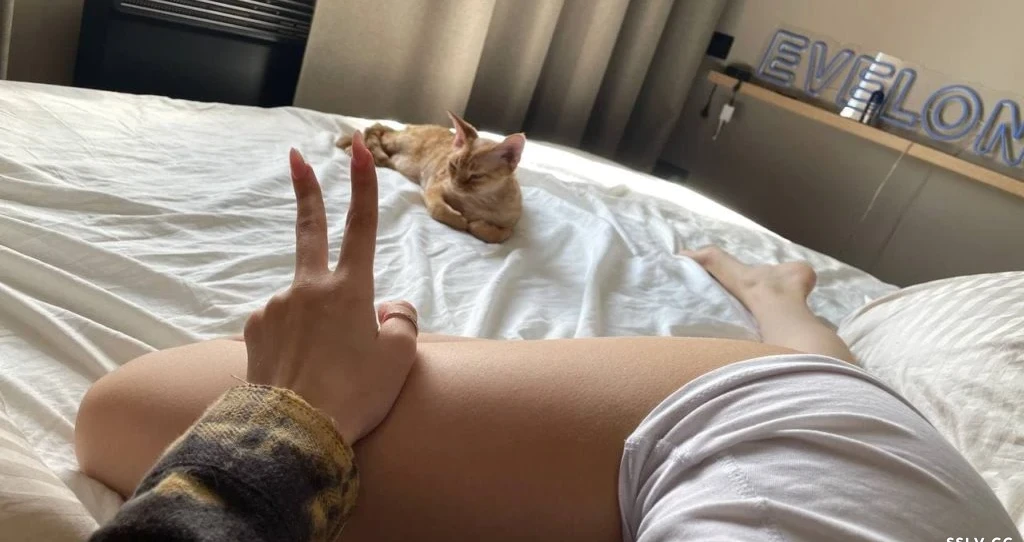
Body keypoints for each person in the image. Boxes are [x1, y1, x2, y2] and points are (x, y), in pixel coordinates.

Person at [78, 133, 1020, 541]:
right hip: (807, 440)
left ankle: (788, 319)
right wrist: (290, 417)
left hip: (886, 471)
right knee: (126, 410)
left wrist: (296, 413)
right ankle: (786, 318)